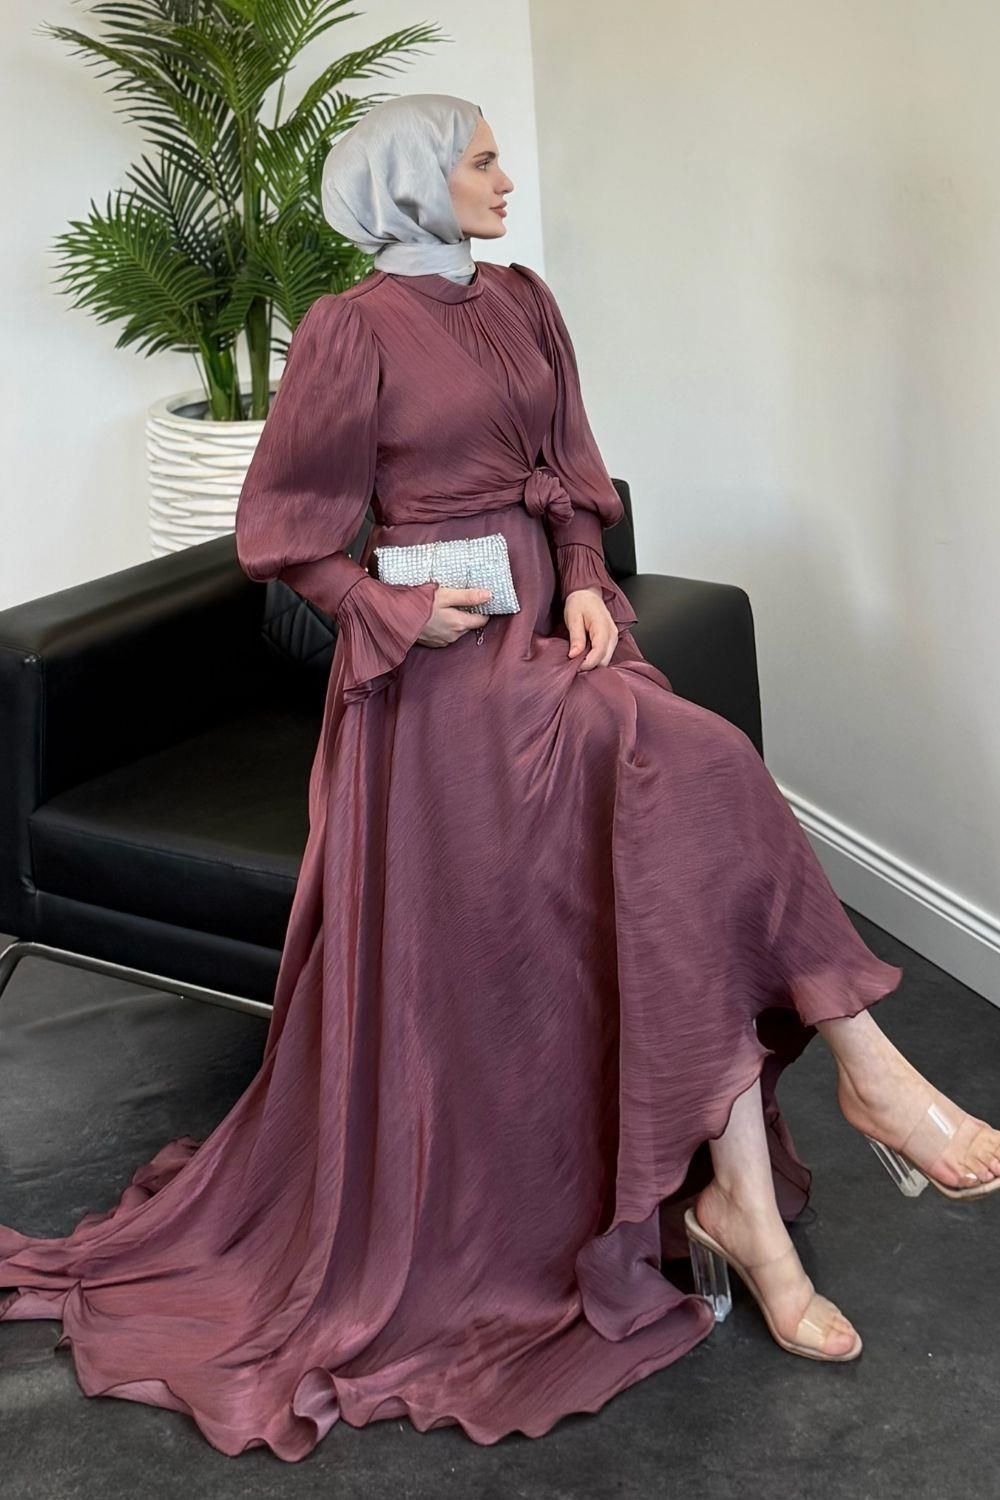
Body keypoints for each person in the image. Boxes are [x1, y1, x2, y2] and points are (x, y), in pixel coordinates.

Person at [1, 92, 998, 1459]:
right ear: (415, 181)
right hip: (439, 678)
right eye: (480, 160)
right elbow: (281, 531)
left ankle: (755, 1213)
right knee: (700, 758)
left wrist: (585, 573)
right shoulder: (351, 329)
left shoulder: (524, 299)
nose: (504, 178)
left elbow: (572, 470)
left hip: (554, 630)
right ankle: (862, 1072)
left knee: (681, 844)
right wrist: (390, 608)